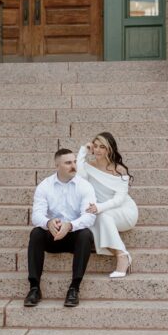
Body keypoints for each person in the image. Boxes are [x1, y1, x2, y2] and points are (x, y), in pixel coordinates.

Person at [25, 148, 98, 308]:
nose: (73, 166)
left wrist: (70, 225)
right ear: (57, 165)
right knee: (36, 233)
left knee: (85, 234)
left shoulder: (84, 186)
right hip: (53, 235)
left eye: (74, 162)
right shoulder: (45, 186)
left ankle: (74, 288)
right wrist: (48, 223)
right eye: (68, 163)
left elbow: (89, 216)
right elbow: (37, 215)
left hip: (74, 237)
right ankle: (34, 288)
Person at [77, 131, 138, 277]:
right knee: (94, 219)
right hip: (102, 211)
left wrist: (99, 207)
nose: (97, 150)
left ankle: (122, 258)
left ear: (109, 149)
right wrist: (83, 151)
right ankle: (122, 253)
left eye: (102, 147)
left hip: (124, 211)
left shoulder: (119, 169)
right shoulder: (88, 166)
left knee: (102, 216)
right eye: (95, 146)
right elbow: (79, 177)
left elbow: (120, 199)